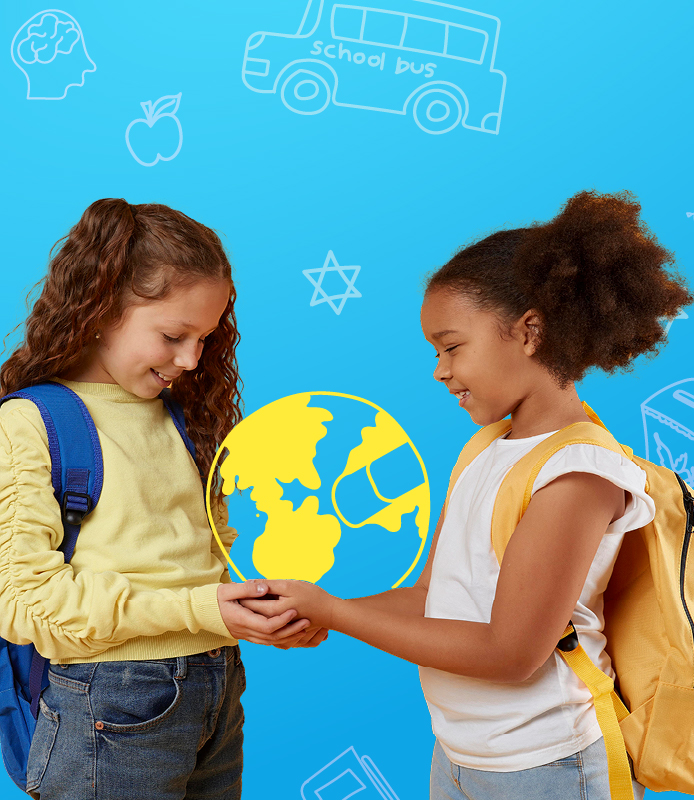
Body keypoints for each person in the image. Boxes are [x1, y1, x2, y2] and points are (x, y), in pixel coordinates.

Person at [241, 190, 693, 799]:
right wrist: (321, 610)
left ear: (530, 332)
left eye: (452, 346)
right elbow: (431, 597)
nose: (439, 369)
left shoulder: (578, 473)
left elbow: (511, 653)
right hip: (459, 753)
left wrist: (336, 613)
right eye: (436, 352)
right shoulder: (484, 447)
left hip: (551, 765)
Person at [0, 198, 326, 800]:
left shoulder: (185, 420)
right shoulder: (30, 423)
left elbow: (200, 565)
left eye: (205, 338)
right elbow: (26, 605)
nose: (192, 359)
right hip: (112, 703)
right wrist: (203, 609)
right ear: (100, 309)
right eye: (174, 336)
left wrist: (255, 611)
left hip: (217, 685)